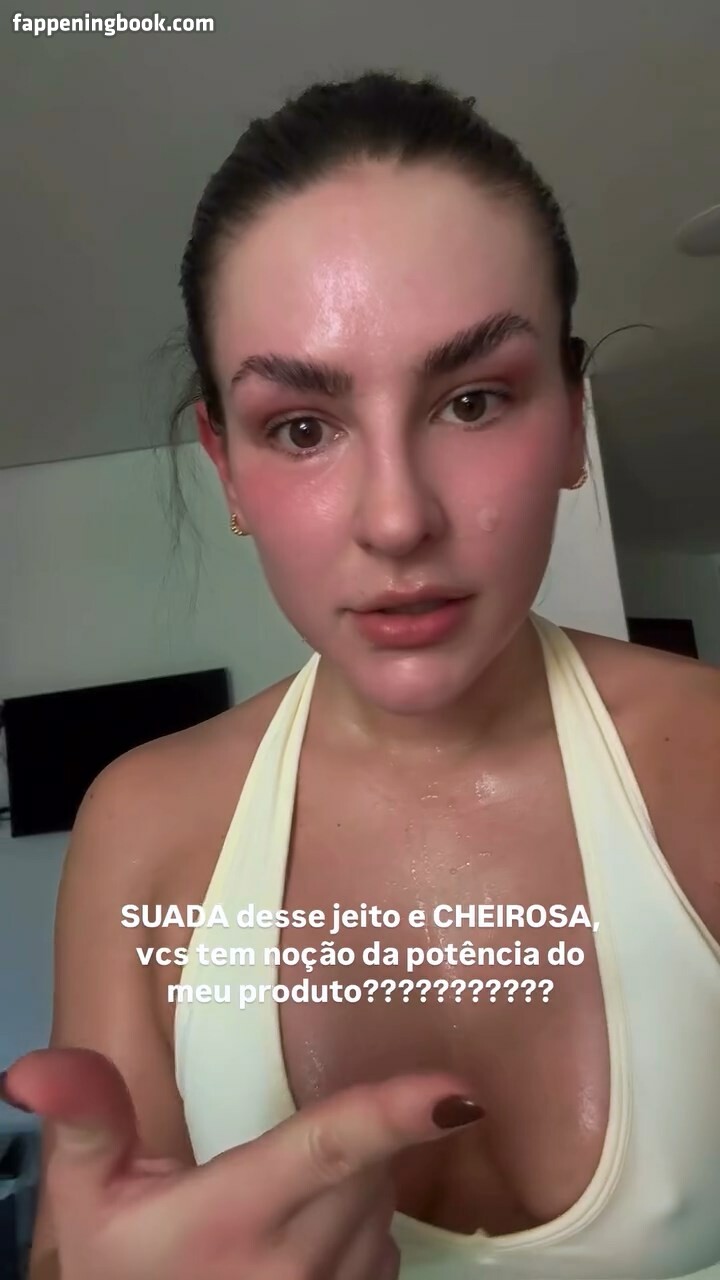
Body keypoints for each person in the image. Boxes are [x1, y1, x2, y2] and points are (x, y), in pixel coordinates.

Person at [2, 69, 719, 1280]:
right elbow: (85, 1243)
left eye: (474, 399)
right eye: (301, 426)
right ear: (226, 467)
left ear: (571, 421)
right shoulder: (145, 829)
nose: (396, 518)